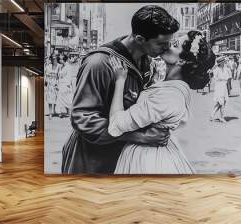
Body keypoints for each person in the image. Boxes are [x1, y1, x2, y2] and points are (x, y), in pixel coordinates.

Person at [61, 5, 180, 174]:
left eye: (169, 43)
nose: (167, 48)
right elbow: (83, 119)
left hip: (124, 159)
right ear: (139, 39)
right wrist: (139, 136)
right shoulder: (99, 64)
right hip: (93, 162)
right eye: (161, 44)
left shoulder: (148, 62)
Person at [108, 31, 215, 174]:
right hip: (156, 150)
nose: (168, 44)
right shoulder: (171, 87)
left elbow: (115, 125)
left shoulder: (168, 96)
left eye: (175, 45)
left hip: (147, 159)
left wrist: (120, 80)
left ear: (182, 61)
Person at [210, 56, 231, 123]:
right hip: (219, 87)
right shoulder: (216, 70)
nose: (224, 63)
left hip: (224, 86)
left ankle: (212, 114)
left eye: (224, 62)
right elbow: (215, 78)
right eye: (222, 62)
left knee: (223, 102)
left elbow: (229, 77)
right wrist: (221, 79)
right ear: (220, 63)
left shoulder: (226, 69)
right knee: (221, 102)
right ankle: (222, 117)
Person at [45, 54, 61, 119]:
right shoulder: (48, 66)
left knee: (55, 98)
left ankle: (54, 111)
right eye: (53, 58)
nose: (54, 60)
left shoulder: (59, 66)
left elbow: (59, 76)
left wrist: (58, 84)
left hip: (56, 83)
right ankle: (50, 113)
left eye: (55, 58)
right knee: (49, 98)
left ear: (57, 59)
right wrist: (46, 81)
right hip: (50, 83)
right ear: (51, 59)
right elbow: (46, 75)